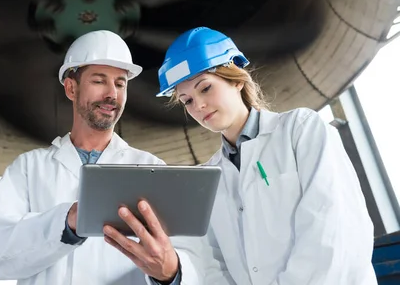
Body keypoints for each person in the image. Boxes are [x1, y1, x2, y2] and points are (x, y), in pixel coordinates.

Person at [105, 26, 377, 284]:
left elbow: (333, 233)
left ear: (234, 78)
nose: (198, 105)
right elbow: (208, 266)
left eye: (205, 87)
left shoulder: (301, 130)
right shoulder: (207, 180)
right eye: (187, 100)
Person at [0, 30, 200, 285]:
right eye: (99, 81)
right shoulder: (28, 169)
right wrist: (68, 222)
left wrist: (171, 273)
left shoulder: (151, 168)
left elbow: (191, 259)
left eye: (120, 83)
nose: (112, 94)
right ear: (71, 88)